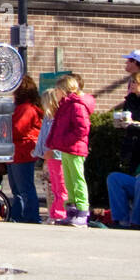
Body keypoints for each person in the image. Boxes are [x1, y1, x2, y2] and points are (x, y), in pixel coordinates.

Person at [45, 73, 94, 227]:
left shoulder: (76, 105)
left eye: (58, 89)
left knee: (77, 180)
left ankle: (82, 212)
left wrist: (63, 141)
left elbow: (82, 129)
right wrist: (53, 142)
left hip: (75, 149)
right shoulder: (65, 105)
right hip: (66, 149)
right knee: (69, 181)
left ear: (64, 90)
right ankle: (72, 211)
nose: (56, 93)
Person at [9, 76, 43, 223]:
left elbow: (18, 129)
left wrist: (3, 129)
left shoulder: (26, 109)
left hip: (22, 152)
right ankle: (19, 215)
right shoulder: (25, 108)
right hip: (19, 151)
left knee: (23, 188)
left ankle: (30, 216)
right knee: (18, 188)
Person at [34, 84, 69, 222]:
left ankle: (61, 213)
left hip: (57, 156)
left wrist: (53, 151)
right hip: (49, 157)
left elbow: (59, 138)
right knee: (52, 186)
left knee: (61, 185)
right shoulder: (47, 119)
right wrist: (40, 153)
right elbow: (42, 137)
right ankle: (53, 213)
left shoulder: (58, 119)